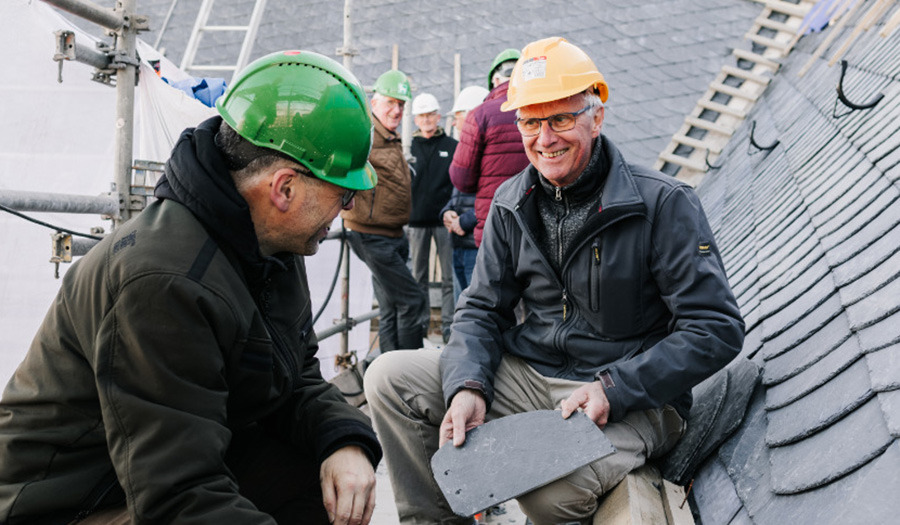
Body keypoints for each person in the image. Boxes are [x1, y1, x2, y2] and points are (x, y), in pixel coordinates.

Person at [364, 37, 745, 525]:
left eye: (561, 119)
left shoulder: (663, 204)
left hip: (634, 398)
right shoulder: (510, 202)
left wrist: (615, 387)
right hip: (532, 375)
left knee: (549, 495)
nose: (544, 139)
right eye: (530, 122)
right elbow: (481, 309)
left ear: (596, 116)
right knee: (389, 379)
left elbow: (716, 328)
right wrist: (468, 384)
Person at [0, 51, 382, 525]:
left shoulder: (270, 242)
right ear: (284, 189)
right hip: (70, 503)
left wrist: (342, 440)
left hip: (146, 474)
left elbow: (295, 375)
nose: (343, 212)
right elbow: (177, 495)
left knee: (320, 481)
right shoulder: (165, 281)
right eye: (342, 195)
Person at [342, 69, 428, 353]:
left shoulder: (387, 135)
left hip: (389, 234)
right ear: (374, 102)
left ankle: (388, 370)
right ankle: (412, 371)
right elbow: (342, 166)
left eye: (401, 105)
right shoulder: (364, 133)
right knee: (411, 301)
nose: (397, 110)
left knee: (391, 306)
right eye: (391, 102)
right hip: (372, 236)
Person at [449, 48, 531, 247]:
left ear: (494, 81)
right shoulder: (543, 109)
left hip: (493, 225)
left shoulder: (480, 115)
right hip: (534, 224)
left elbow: (462, 180)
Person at [408, 93, 457, 343]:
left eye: (430, 115)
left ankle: (449, 330)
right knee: (418, 278)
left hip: (444, 221)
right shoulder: (409, 147)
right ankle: (420, 330)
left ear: (438, 116)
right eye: (422, 116)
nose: (426, 120)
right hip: (416, 221)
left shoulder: (451, 146)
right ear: (415, 119)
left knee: (450, 277)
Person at [441, 86, 489, 300]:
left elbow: (492, 199)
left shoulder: (488, 153)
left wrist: (465, 221)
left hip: (476, 246)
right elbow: (457, 194)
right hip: (460, 243)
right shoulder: (466, 149)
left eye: (457, 116)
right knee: (463, 309)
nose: (453, 123)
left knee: (475, 309)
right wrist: (448, 212)